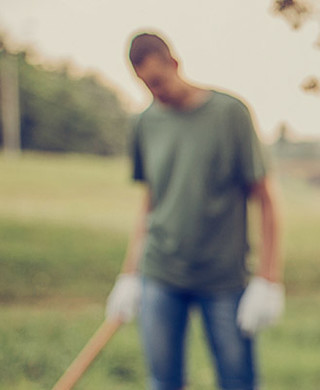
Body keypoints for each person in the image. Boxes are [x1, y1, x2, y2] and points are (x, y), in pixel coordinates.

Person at [103, 32, 284, 390]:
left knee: (238, 381)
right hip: (161, 274)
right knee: (162, 381)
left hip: (223, 279)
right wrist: (129, 275)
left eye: (157, 81)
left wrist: (267, 279)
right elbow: (150, 203)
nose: (154, 93)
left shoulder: (230, 113)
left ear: (174, 63)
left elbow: (265, 198)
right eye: (144, 85)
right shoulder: (144, 124)